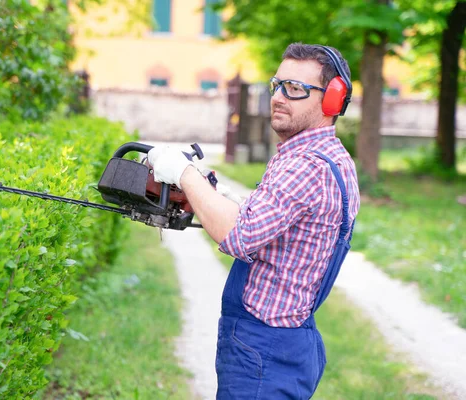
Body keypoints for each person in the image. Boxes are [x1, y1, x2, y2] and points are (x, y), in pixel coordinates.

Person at [148, 42, 360, 399]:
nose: (278, 97)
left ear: (332, 100)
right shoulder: (330, 157)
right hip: (284, 342)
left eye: (295, 89)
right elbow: (268, 219)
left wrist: (183, 172)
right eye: (277, 85)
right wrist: (209, 194)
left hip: (265, 348)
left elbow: (238, 235)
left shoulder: (305, 165)